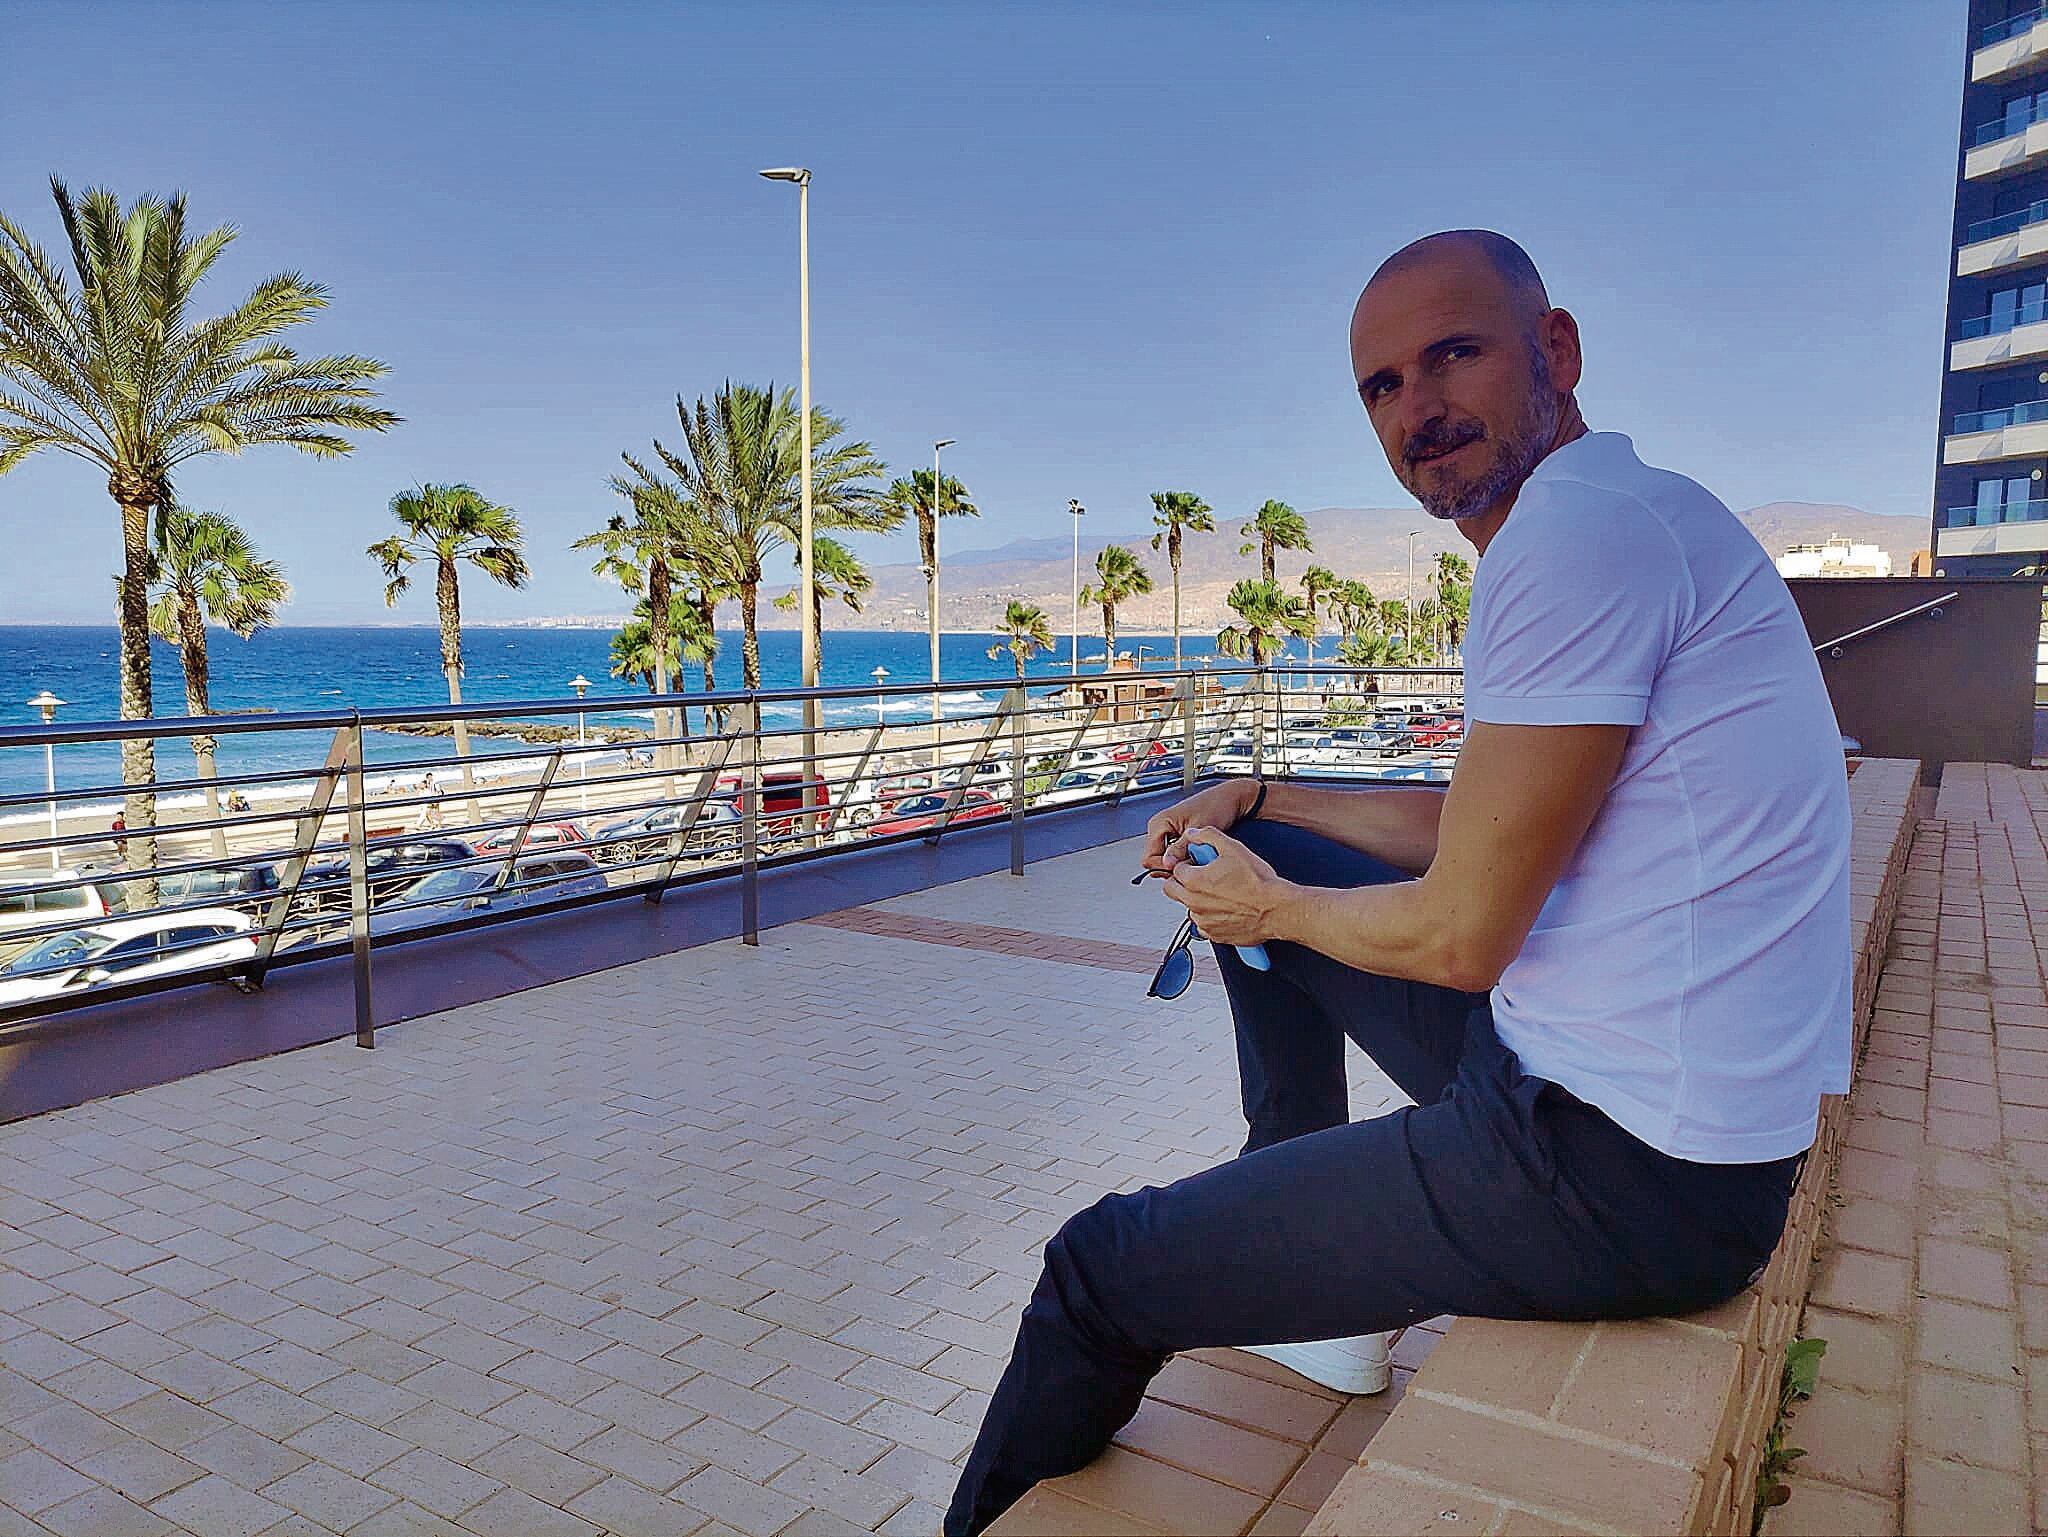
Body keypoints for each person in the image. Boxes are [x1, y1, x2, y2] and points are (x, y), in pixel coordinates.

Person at [944, 230, 1852, 1536]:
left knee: (1099, 1269)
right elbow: (1467, 825)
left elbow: (1463, 930)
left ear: (1558, 351)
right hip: (1624, 1091)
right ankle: (1307, 1232)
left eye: (1454, 354)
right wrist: (1259, 800)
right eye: (1381, 384)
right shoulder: (1623, 514)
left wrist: (1264, 910)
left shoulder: (1574, 539)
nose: (1417, 407)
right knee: (1283, 855)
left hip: (1627, 1171)